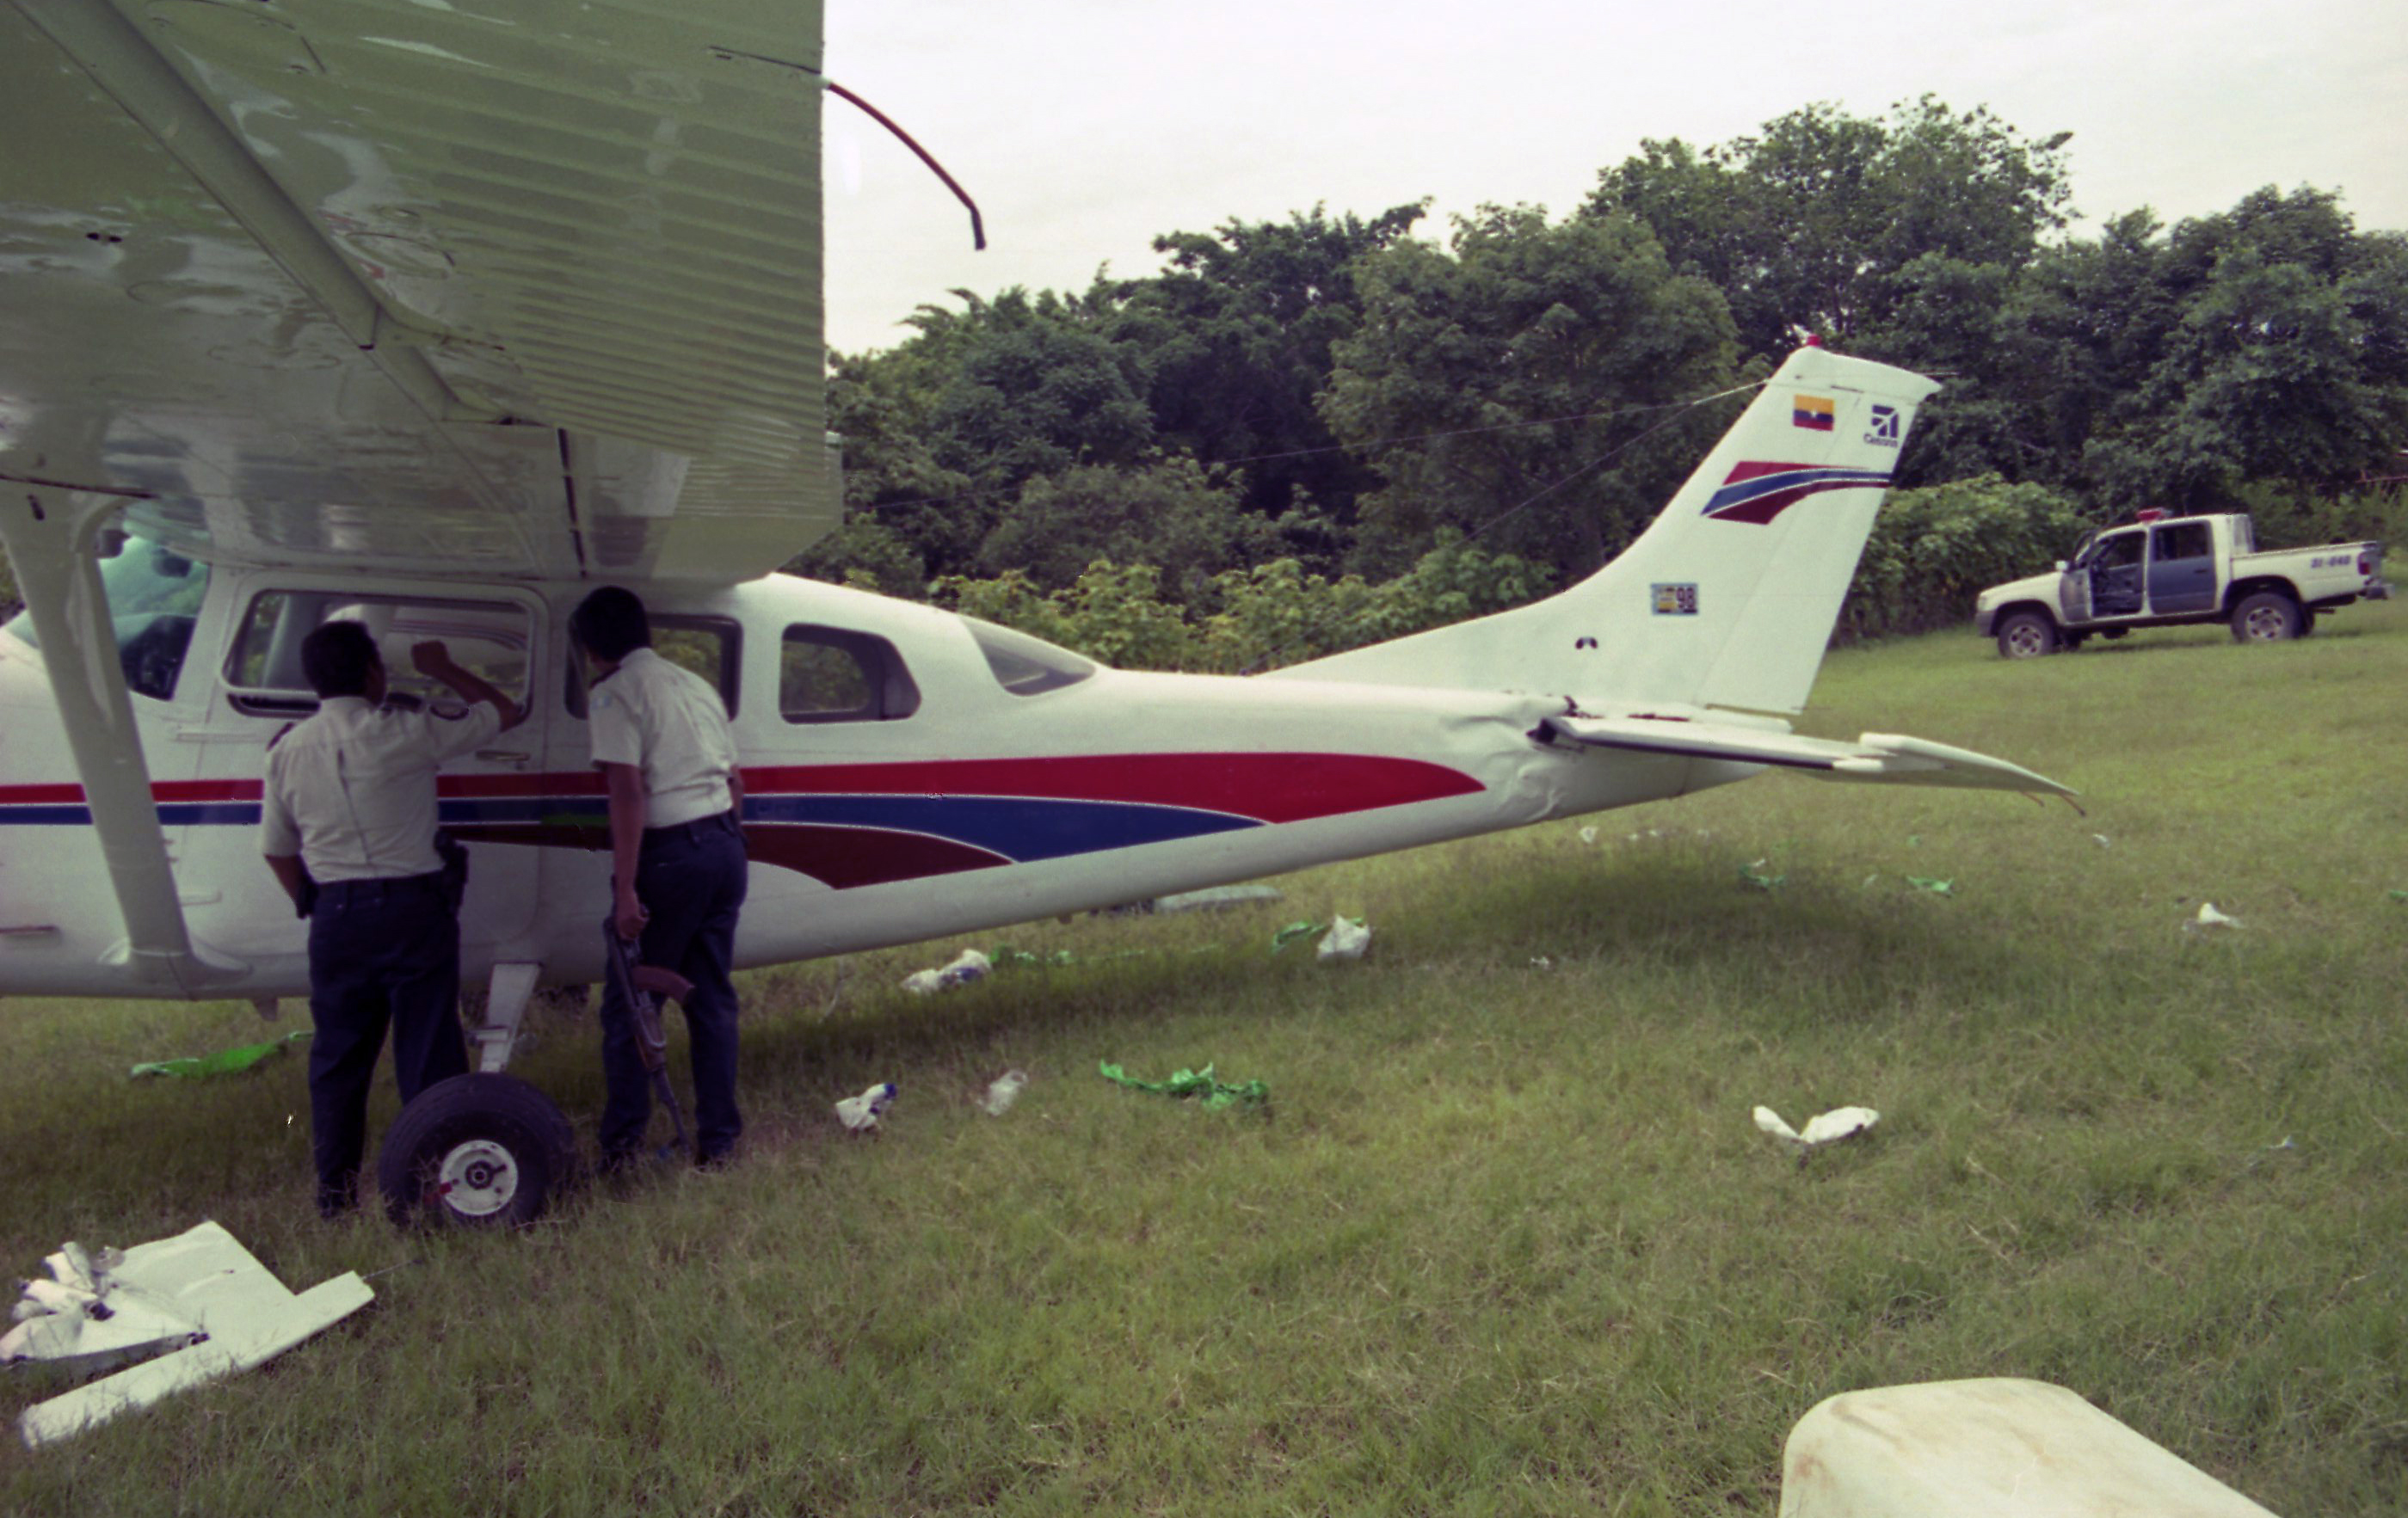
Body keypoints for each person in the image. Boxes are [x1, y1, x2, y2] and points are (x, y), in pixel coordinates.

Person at [260, 620, 522, 1218]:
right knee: (428, 1052)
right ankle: (433, 1183)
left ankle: (334, 1196)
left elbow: (276, 849)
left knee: (338, 1061)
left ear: (314, 679)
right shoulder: (406, 731)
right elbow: (501, 710)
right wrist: (443, 668)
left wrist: (315, 900)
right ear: (374, 673)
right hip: (412, 910)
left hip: (337, 916)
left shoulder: (285, 753)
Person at [570, 586, 748, 1170]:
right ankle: (720, 1140)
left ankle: (622, 1148)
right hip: (723, 845)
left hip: (672, 856)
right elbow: (736, 780)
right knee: (710, 996)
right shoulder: (694, 684)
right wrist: (727, 842)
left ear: (592, 648)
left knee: (631, 1001)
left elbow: (626, 790)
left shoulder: (614, 694)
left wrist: (625, 889)